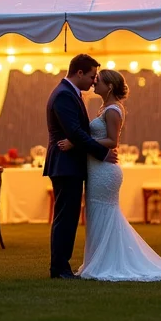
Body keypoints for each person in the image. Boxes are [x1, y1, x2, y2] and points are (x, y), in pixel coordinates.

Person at [56, 68, 161, 282]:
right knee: (96, 214)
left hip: (105, 171)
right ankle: (99, 260)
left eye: (99, 81)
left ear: (109, 86)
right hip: (96, 169)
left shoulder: (113, 110)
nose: (95, 83)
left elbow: (113, 141)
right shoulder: (103, 108)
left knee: (104, 213)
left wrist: (77, 142)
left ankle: (108, 262)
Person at [44, 54, 115, 279]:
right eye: (92, 76)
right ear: (80, 73)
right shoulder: (64, 95)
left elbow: (75, 133)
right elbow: (74, 131)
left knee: (69, 217)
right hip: (66, 165)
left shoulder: (70, 93)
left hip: (71, 163)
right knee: (65, 217)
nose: (94, 81)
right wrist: (102, 153)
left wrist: (77, 142)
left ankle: (61, 267)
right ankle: (59, 269)